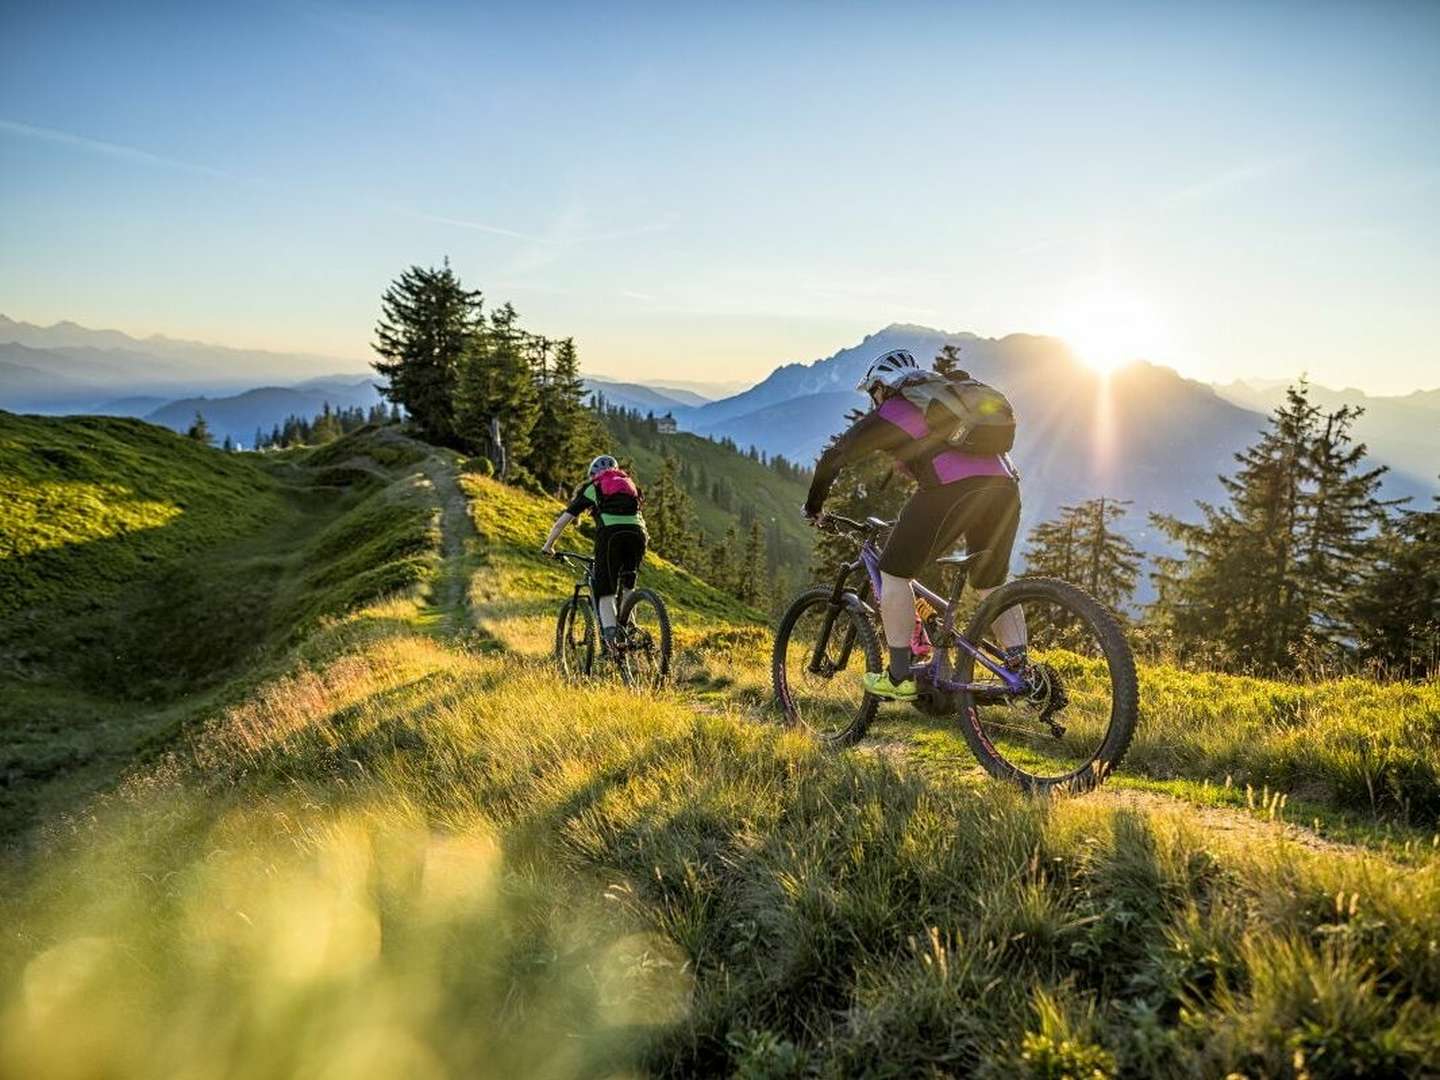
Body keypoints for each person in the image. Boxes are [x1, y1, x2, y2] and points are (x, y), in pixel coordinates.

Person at [804, 348, 1027, 701]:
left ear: (882, 387)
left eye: (872, 394)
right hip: (1004, 487)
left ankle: (899, 677)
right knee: (990, 582)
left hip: (952, 490)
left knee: (894, 574)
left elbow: (837, 456)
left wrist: (814, 505)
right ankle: (1022, 674)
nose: (873, 402)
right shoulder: (948, 398)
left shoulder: (896, 409)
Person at [541, 454, 648, 650]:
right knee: (627, 586)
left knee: (604, 591)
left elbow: (561, 523)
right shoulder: (630, 485)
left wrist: (548, 546)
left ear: (593, 475)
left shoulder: (594, 487)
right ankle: (630, 630)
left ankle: (612, 642)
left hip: (610, 536)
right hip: (638, 535)